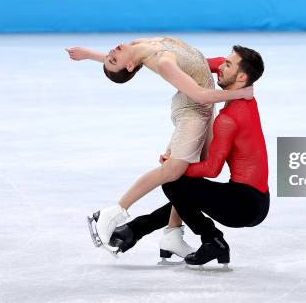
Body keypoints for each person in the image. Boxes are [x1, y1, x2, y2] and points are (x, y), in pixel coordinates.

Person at [65, 37, 253, 254]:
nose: (111, 53)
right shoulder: (162, 62)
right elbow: (201, 96)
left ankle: (172, 235)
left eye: (110, 57)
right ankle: (112, 213)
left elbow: (123, 62)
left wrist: (89, 54)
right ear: (128, 66)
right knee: (173, 170)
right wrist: (239, 93)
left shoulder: (139, 47)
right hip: (193, 111)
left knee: (194, 177)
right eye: (112, 59)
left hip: (203, 112)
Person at [109, 45, 269, 267]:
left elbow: (213, 169)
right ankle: (134, 230)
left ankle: (212, 239)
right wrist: (132, 59)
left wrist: (175, 165)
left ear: (241, 77)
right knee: (188, 195)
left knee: (175, 183)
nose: (221, 66)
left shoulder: (228, 119)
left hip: (243, 206)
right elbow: (201, 64)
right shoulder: (246, 98)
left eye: (228, 64)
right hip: (258, 201)